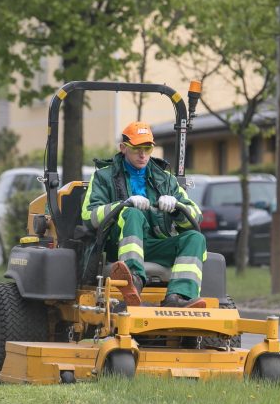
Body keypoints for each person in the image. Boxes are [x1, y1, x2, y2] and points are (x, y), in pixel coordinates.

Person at [81, 121, 207, 308]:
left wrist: (177, 207)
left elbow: (196, 217)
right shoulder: (103, 177)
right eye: (136, 148)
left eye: (147, 148)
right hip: (118, 246)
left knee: (195, 238)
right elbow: (89, 216)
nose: (143, 154)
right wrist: (122, 205)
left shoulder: (166, 179)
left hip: (154, 243)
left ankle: (178, 297)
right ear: (123, 148)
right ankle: (133, 280)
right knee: (132, 214)